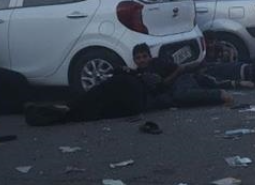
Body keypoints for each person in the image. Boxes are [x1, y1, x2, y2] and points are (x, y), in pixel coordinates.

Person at [25, 44, 234, 126]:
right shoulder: (135, 72)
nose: (142, 60)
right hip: (143, 92)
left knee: (181, 97)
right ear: (134, 60)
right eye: (139, 58)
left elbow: (176, 74)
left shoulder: (158, 64)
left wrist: (166, 78)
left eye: (144, 56)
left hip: (173, 85)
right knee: (103, 97)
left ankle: (219, 93)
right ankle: (66, 109)